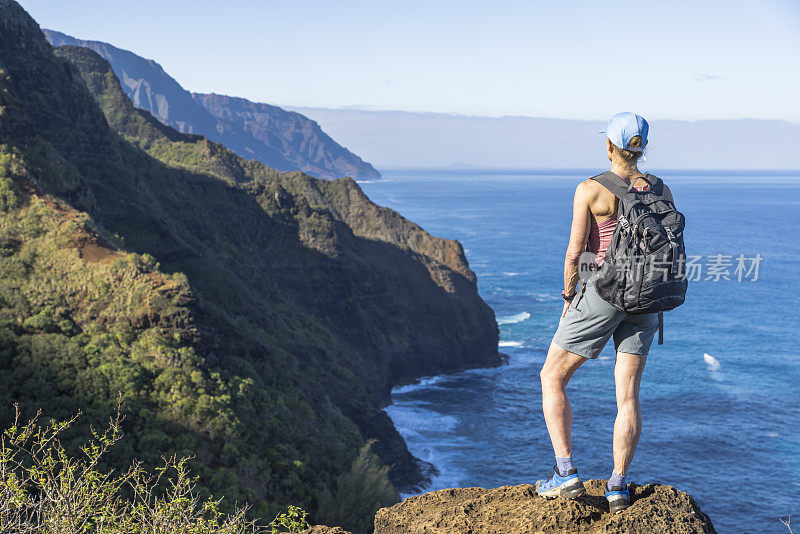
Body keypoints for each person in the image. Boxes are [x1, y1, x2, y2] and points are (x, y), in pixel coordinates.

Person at [534, 112, 674, 514]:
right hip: (646, 297)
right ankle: (617, 485)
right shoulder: (661, 189)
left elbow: (576, 252)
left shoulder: (590, 189)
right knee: (627, 394)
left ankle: (564, 473)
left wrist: (568, 299)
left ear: (608, 145)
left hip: (602, 290)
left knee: (552, 376)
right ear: (641, 148)